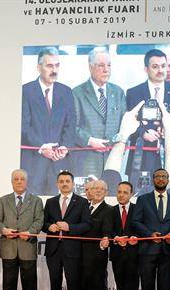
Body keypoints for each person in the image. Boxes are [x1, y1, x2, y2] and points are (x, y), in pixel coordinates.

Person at [21, 47, 77, 195]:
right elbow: (23, 126)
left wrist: (64, 147)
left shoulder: (66, 91)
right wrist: (41, 146)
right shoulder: (25, 91)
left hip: (58, 163)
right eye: (49, 66)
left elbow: (71, 124)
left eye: (57, 65)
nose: (54, 70)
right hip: (34, 163)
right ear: (38, 67)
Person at [125, 48, 170, 185]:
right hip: (140, 161)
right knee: (138, 198)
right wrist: (142, 133)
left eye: (163, 66)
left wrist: (169, 134)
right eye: (155, 66)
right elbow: (126, 125)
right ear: (146, 69)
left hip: (169, 161)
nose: (160, 70)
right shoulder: (133, 93)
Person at [43, 170, 92, 290]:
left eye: (67, 181)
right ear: (57, 184)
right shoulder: (50, 202)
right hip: (53, 250)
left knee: (73, 285)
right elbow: (43, 223)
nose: (64, 184)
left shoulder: (82, 202)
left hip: (72, 250)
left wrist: (69, 227)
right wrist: (49, 227)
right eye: (61, 181)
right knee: (55, 284)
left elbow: (87, 224)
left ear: (73, 184)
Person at [0, 169, 44, 290]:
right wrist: (3, 230)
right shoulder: (3, 200)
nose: (19, 181)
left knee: (29, 286)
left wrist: (31, 232)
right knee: (8, 286)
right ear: (11, 182)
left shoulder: (36, 200)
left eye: (22, 179)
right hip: (9, 248)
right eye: (16, 179)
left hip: (27, 248)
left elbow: (39, 220)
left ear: (27, 182)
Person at [72, 47, 126, 187]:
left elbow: (125, 125)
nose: (106, 70)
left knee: (112, 197)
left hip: (112, 162)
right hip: (87, 161)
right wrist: (89, 140)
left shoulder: (118, 92)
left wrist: (121, 143)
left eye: (109, 65)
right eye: (101, 65)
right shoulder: (77, 93)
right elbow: (71, 127)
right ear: (91, 67)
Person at [79, 179, 112, 290]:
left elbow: (108, 231)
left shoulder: (109, 210)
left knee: (98, 289)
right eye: (95, 188)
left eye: (101, 189)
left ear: (106, 192)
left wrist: (106, 239)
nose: (98, 191)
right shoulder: (83, 207)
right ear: (90, 191)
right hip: (80, 255)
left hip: (97, 256)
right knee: (83, 288)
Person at [108, 181, 140, 290]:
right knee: (120, 288)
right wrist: (115, 238)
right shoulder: (111, 210)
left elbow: (141, 227)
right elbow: (108, 229)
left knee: (132, 288)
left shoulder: (137, 209)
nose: (121, 195)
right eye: (119, 192)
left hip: (134, 255)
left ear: (131, 194)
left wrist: (135, 237)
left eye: (125, 192)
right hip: (117, 255)